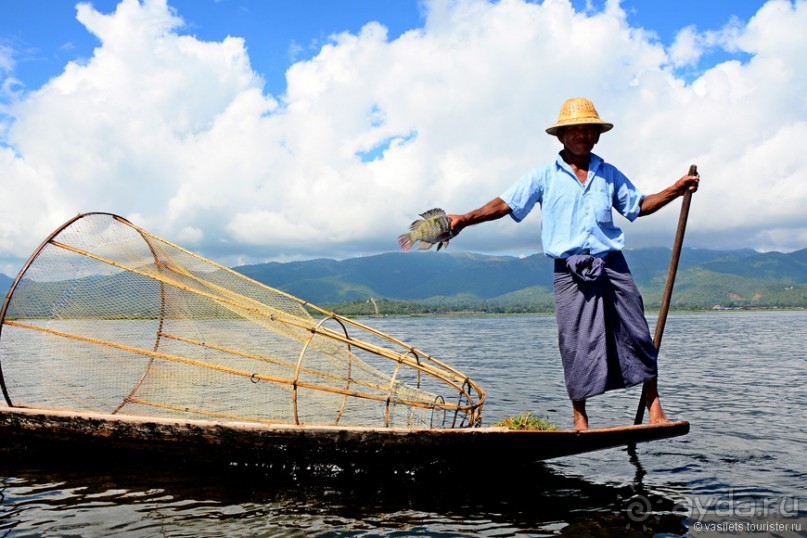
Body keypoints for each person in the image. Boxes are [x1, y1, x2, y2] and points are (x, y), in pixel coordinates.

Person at [448, 97, 699, 430]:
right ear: (561, 136)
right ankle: (580, 416)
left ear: (596, 135)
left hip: (612, 264)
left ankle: (655, 407)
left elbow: (639, 206)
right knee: (575, 342)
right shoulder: (543, 176)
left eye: (588, 130)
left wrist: (675, 189)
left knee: (638, 333)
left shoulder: (608, 173)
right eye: (575, 130)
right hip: (570, 271)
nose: (582, 135)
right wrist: (465, 218)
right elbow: (505, 204)